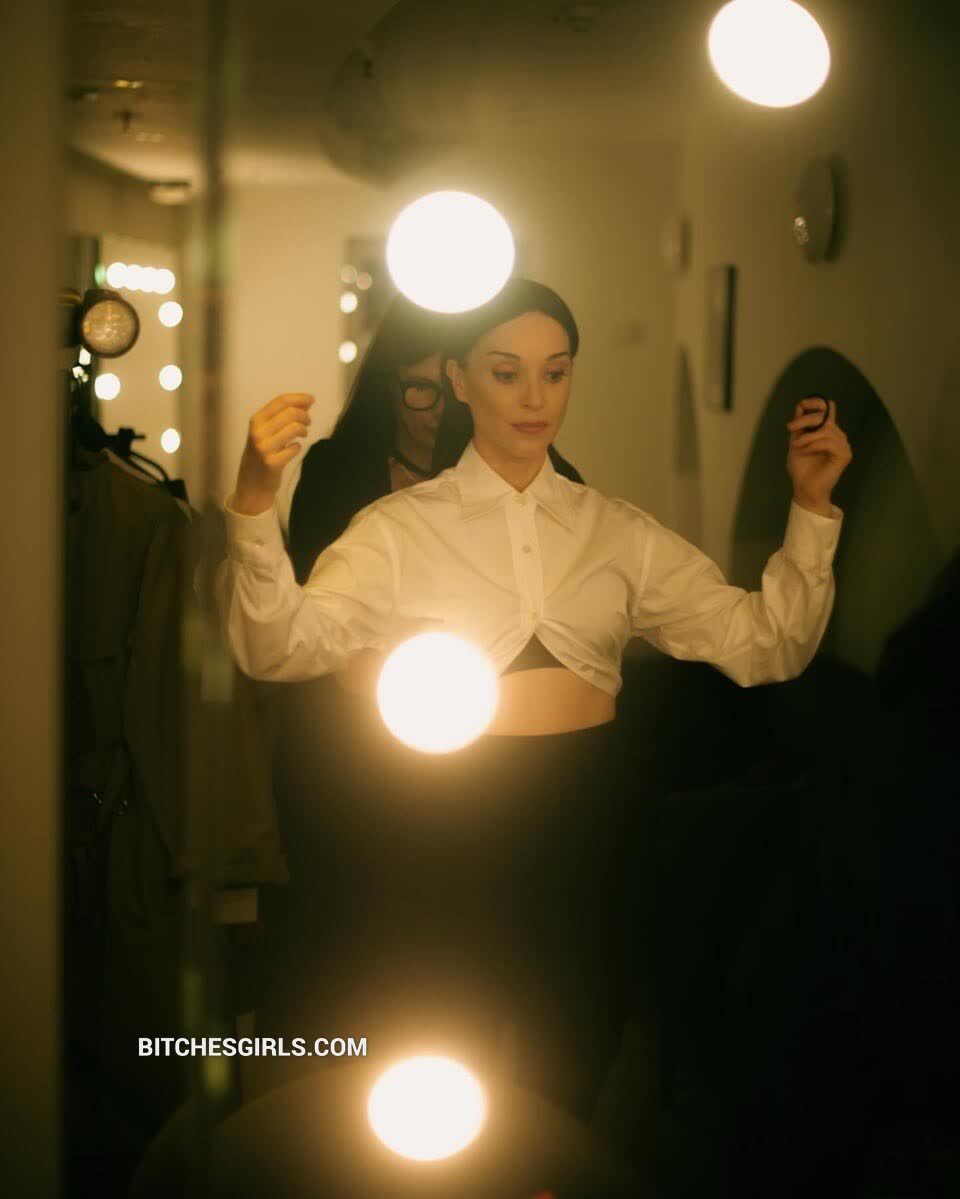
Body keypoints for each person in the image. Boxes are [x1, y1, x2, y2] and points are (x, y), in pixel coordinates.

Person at [217, 277, 853, 1116]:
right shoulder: (399, 530)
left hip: (591, 817)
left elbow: (768, 643)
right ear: (459, 378)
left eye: (555, 372)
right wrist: (254, 502)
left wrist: (811, 505)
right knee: (436, 1057)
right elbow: (276, 645)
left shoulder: (616, 531)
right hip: (439, 814)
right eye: (506, 371)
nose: (534, 397)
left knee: (572, 1060)